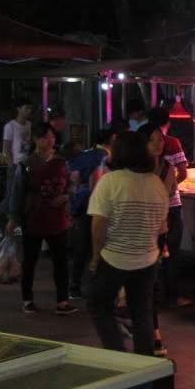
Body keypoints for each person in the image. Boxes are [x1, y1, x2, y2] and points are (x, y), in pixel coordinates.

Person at [88, 129, 169, 354]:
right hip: (147, 259)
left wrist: (96, 256)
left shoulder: (110, 182)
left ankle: (118, 354)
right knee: (141, 312)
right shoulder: (156, 184)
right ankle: (143, 363)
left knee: (99, 306)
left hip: (114, 257)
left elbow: (98, 225)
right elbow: (162, 225)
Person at [7, 122, 78, 316]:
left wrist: (66, 196)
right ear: (37, 140)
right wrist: (13, 218)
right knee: (30, 260)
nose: (51, 140)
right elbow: (17, 193)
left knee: (61, 261)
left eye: (52, 137)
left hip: (58, 218)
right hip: (34, 218)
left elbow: (72, 184)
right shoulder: (26, 165)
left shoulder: (63, 162)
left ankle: (62, 300)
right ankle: (27, 299)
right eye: (46, 137)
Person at [147, 106, 191, 308]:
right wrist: (170, 186)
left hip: (148, 207)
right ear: (167, 122)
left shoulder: (142, 143)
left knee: (152, 251)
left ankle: (152, 296)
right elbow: (183, 174)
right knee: (171, 251)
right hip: (170, 207)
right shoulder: (172, 143)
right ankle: (172, 296)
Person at [67, 127, 114, 300]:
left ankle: (75, 286)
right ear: (112, 138)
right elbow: (96, 182)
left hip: (81, 205)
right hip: (93, 207)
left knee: (82, 248)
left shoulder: (89, 153)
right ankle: (87, 288)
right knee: (94, 247)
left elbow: (74, 176)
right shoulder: (103, 156)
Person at [0, 99, 33, 238]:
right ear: (19, 109)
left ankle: (16, 224)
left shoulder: (29, 125)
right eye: (26, 108)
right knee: (10, 197)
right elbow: (6, 148)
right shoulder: (10, 126)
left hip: (25, 164)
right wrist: (10, 165)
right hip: (15, 165)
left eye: (30, 108)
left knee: (21, 196)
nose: (29, 111)